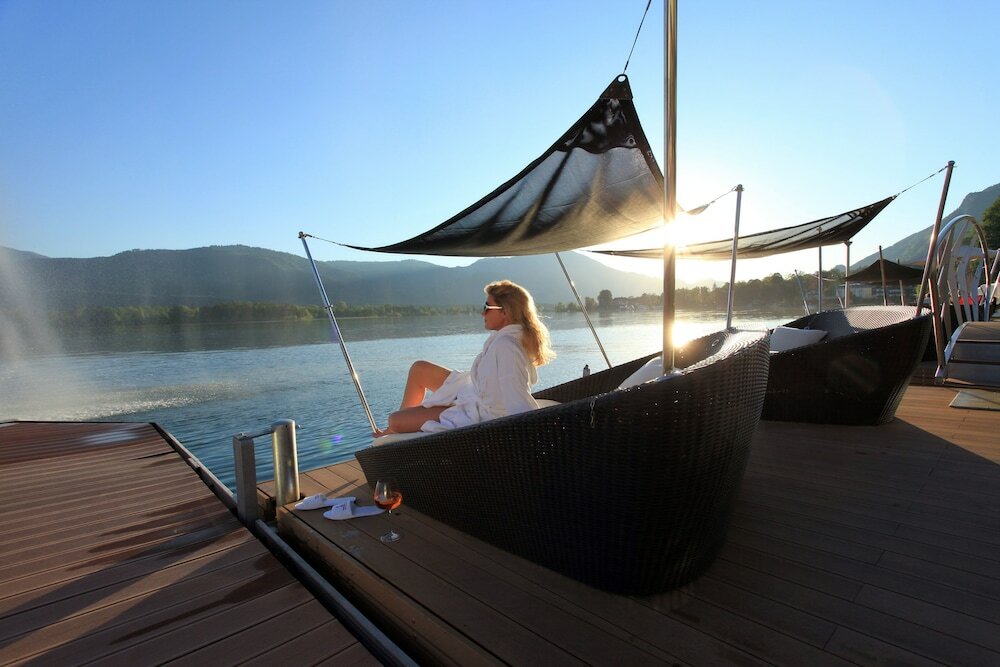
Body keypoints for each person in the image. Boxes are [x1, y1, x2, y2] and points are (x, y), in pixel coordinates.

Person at [374, 280, 554, 436]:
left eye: (487, 307)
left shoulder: (507, 346)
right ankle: (408, 425)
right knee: (419, 369)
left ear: (505, 312)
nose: (482, 313)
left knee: (394, 421)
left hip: (475, 409)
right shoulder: (505, 339)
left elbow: (518, 400)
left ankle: (402, 429)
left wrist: (535, 436)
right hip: (469, 390)